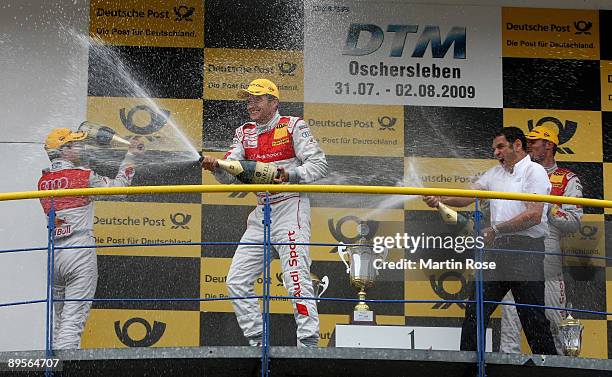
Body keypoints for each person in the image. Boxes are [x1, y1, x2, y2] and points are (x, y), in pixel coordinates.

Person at [201, 78, 328, 347]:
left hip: (291, 206)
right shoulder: (244, 132)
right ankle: (259, 342)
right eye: (248, 99)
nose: (251, 104)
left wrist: (290, 175)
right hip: (261, 214)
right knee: (236, 281)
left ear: (274, 102)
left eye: (257, 98)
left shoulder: (293, 125)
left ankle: (308, 344)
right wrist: (217, 168)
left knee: (295, 280)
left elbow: (319, 165)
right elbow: (232, 177)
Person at [423, 126, 557, 355]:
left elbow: (534, 216)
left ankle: (549, 367)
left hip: (526, 252)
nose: (495, 152)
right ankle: (469, 364)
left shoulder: (534, 171)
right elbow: (468, 196)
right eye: (494, 148)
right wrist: (440, 198)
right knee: (475, 309)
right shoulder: (494, 173)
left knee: (532, 316)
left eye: (500, 146)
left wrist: (495, 229)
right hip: (496, 251)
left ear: (517, 145)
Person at [38, 127, 144, 349]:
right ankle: (66, 369)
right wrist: (131, 155)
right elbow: (120, 190)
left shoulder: (43, 181)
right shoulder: (83, 176)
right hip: (79, 250)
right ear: (64, 150)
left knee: (59, 321)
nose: (82, 147)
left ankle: (53, 368)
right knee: (73, 320)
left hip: (53, 254)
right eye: (76, 143)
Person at [500, 125, 583, 354]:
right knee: (510, 319)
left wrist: (546, 209)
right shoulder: (514, 172)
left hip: (549, 249)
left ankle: (558, 368)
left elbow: (574, 221)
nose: (529, 145)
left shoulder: (567, 179)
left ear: (549, 144)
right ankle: (508, 366)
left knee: (556, 320)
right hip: (516, 249)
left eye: (534, 141)